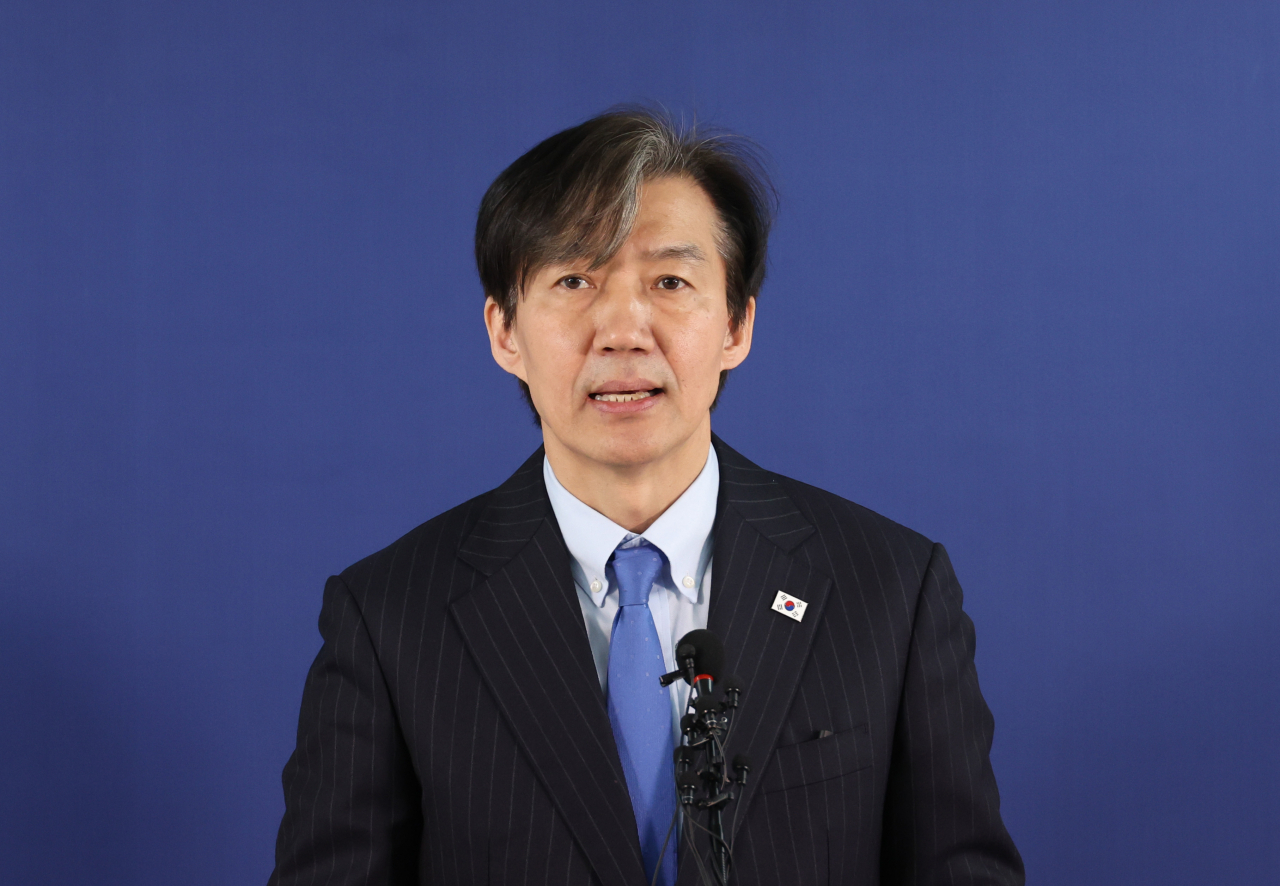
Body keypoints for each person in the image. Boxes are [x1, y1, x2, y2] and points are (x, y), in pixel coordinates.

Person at [268, 108, 1025, 886]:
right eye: (574, 279)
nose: (624, 329)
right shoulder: (391, 617)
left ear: (736, 324)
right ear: (505, 334)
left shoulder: (892, 592)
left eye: (669, 281)